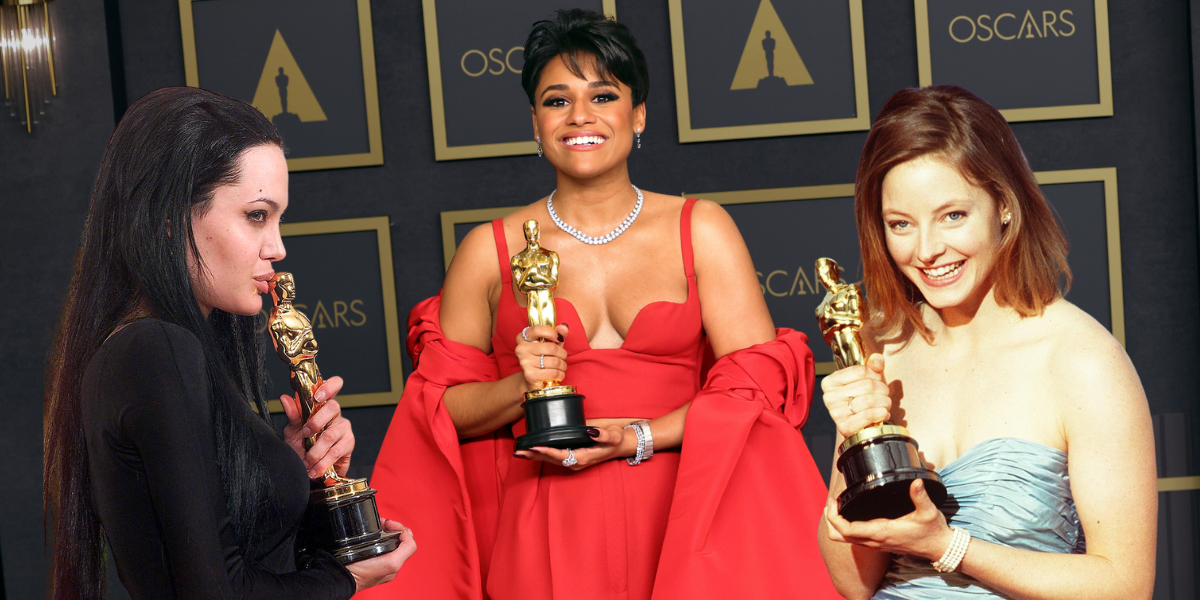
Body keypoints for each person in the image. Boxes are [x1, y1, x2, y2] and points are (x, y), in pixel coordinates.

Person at [362, 9, 838, 600]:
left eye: (603, 94)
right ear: (535, 124)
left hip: (683, 513)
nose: (580, 116)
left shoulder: (702, 229)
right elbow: (440, 411)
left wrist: (638, 436)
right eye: (557, 100)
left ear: (637, 115)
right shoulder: (489, 250)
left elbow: (754, 396)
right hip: (546, 520)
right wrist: (523, 386)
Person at [42, 87, 415, 600]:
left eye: (278, 219)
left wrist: (292, 474)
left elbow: (236, 558)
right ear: (172, 219)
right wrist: (347, 578)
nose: (277, 247)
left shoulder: (164, 350)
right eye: (256, 216)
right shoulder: (156, 350)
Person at [816, 86, 1157, 599]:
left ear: (1003, 205)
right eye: (901, 225)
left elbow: (1124, 586)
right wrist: (854, 437)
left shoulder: (1082, 359)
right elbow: (852, 583)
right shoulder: (879, 346)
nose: (928, 250)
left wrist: (948, 546)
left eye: (952, 216)